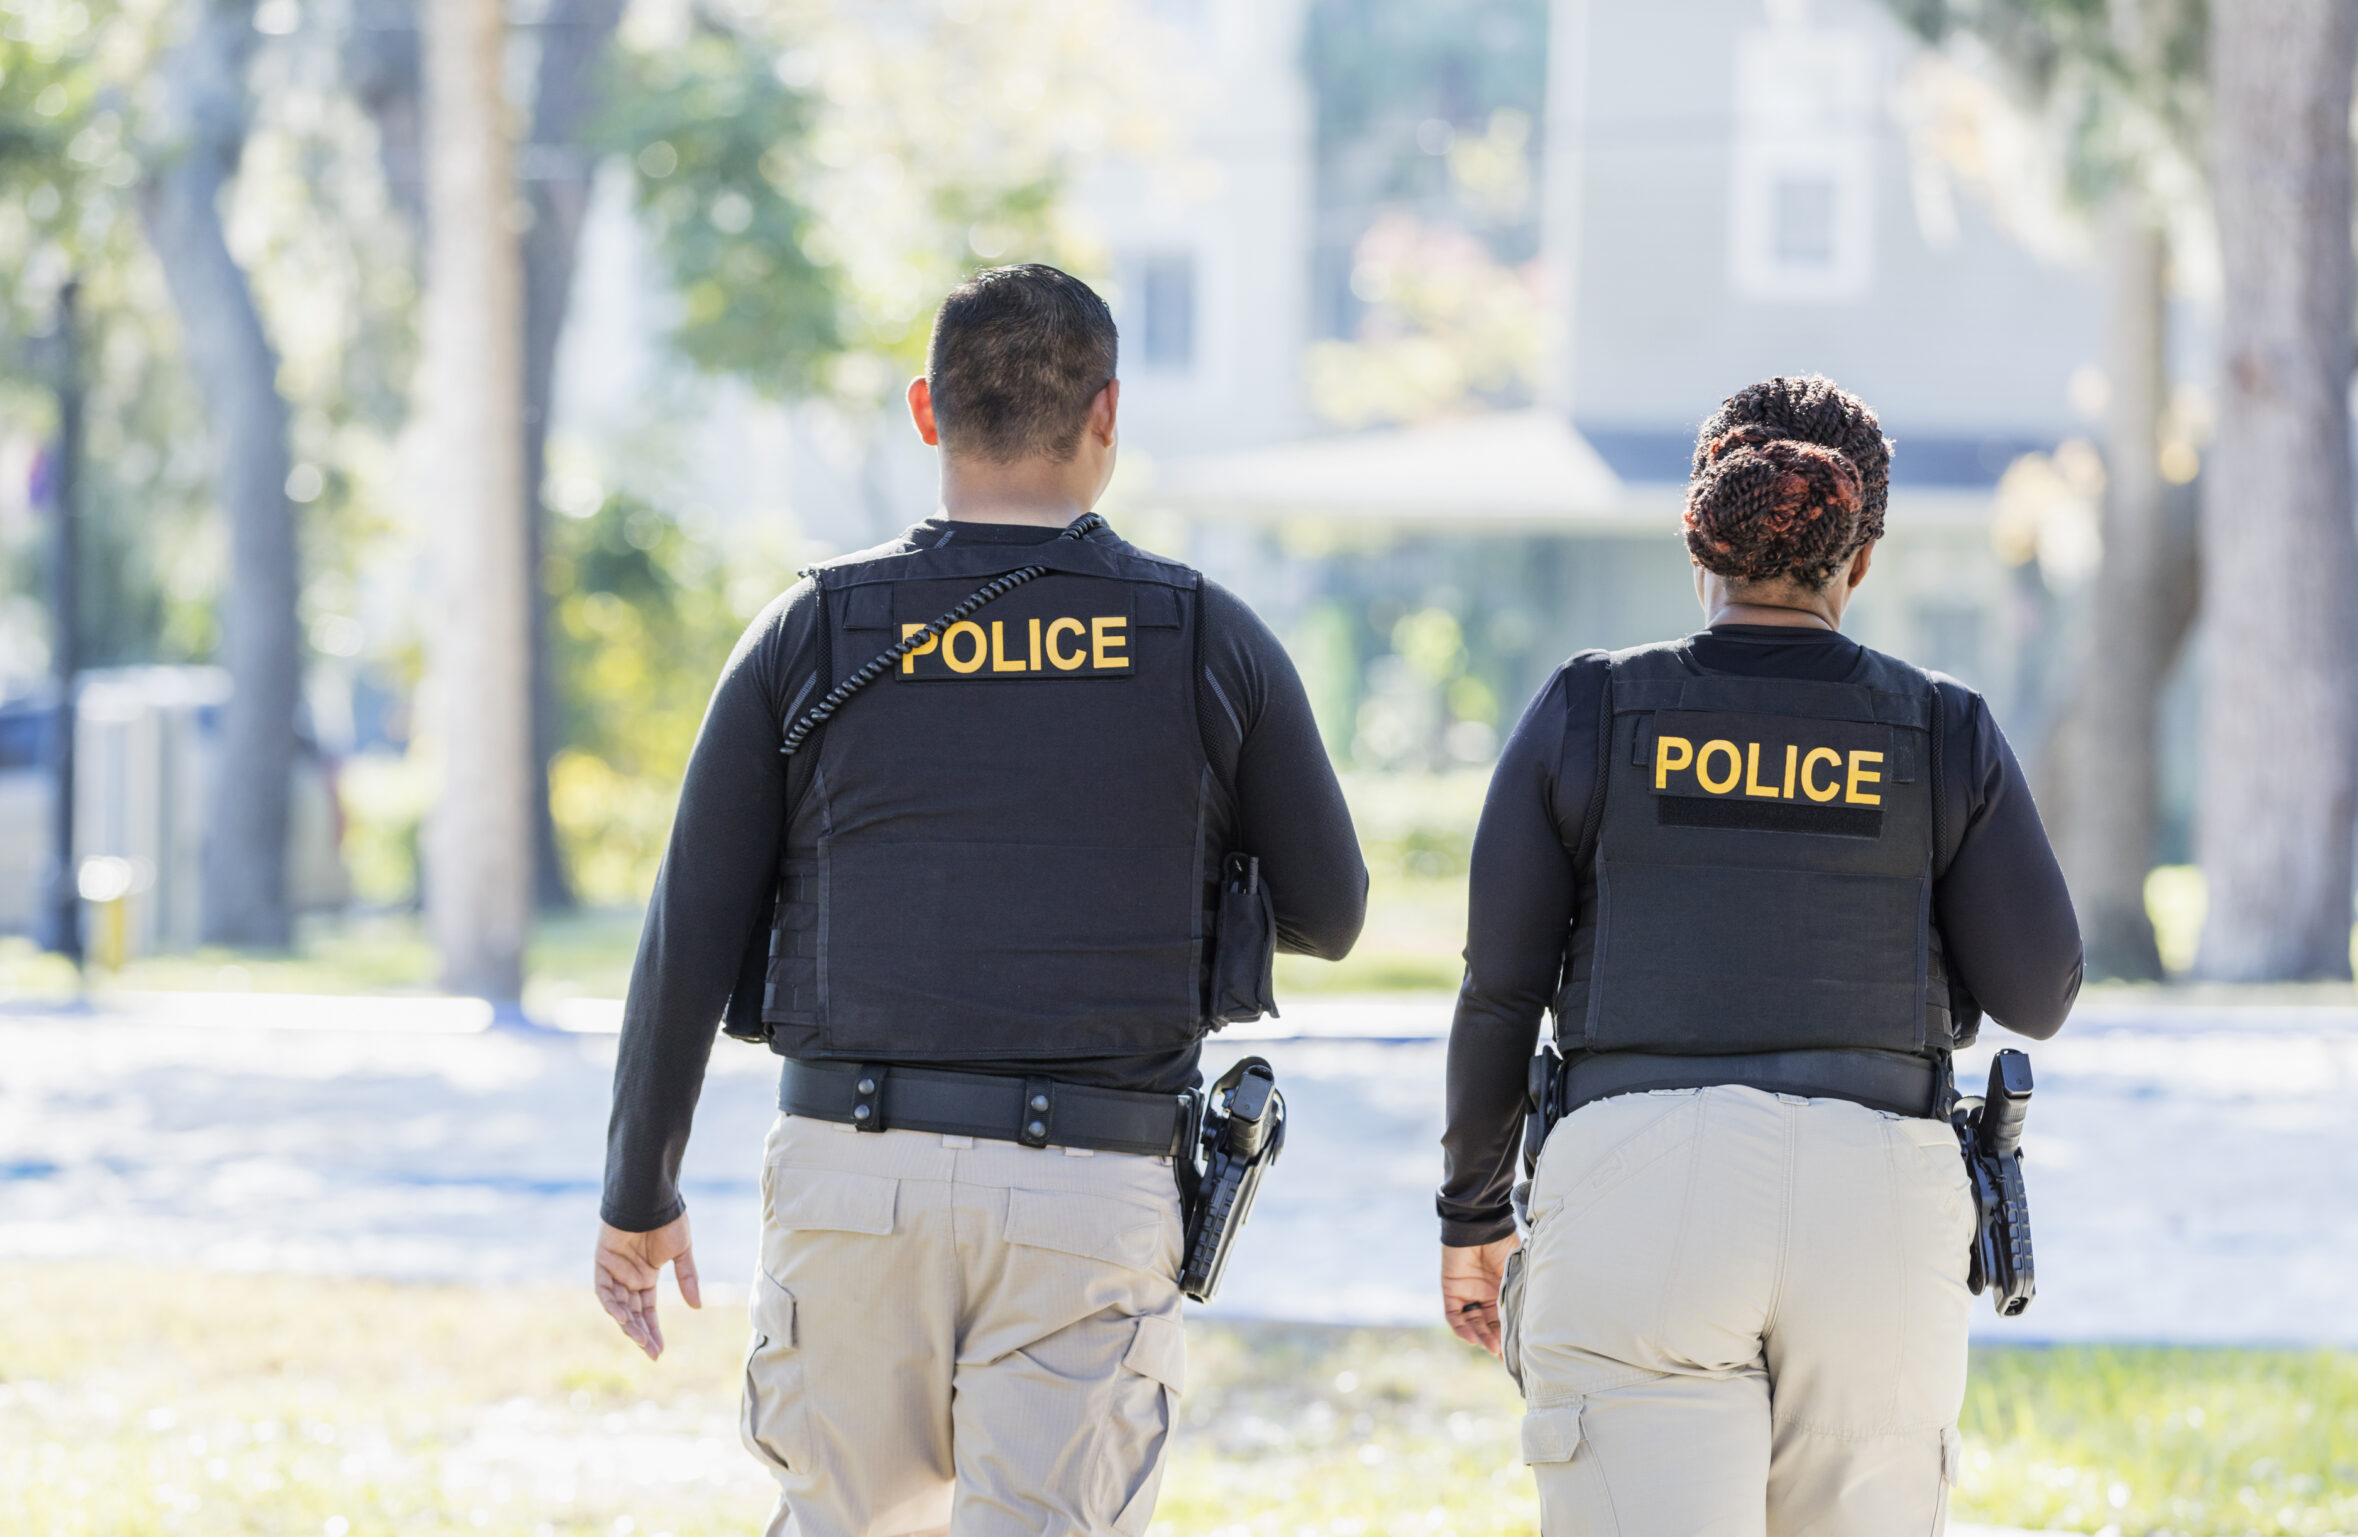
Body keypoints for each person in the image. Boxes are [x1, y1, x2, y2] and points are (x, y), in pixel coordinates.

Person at [591, 263, 1368, 1537]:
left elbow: (690, 928)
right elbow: (1329, 911)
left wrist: (639, 1192)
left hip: (852, 1177)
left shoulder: (810, 629)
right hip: (1090, 1193)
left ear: (925, 413)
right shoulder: (1204, 637)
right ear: (1108, 414)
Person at [1436, 375, 2082, 1535]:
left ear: (1704, 542)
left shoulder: (1592, 709)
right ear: (1861, 555)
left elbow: (1499, 992)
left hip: (1635, 1188)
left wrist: (1470, 1214)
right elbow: (2041, 992)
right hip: (1878, 1202)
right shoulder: (1941, 729)